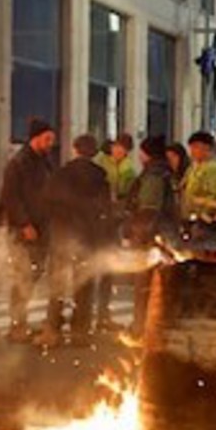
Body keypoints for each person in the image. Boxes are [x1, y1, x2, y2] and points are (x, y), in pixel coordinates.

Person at [34, 134, 111, 348]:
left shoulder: (62, 174)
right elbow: (105, 209)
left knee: (58, 283)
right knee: (84, 284)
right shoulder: (100, 177)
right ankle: (80, 331)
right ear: (94, 152)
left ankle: (53, 330)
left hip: (63, 234)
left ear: (75, 149)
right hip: (88, 236)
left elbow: (46, 201)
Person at [0, 118, 56, 343]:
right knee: (22, 276)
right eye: (47, 139)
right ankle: (17, 325)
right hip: (22, 230)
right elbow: (10, 197)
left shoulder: (45, 162)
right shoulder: (17, 163)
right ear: (35, 138)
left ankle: (21, 321)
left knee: (34, 274)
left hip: (42, 228)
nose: (51, 144)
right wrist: (24, 223)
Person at [124, 135, 177, 336]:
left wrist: (136, 235)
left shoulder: (154, 175)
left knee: (144, 285)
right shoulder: (165, 172)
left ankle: (141, 329)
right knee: (158, 286)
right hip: (163, 236)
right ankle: (153, 329)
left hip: (151, 239)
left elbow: (148, 210)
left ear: (147, 154)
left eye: (141, 152)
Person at [93, 133, 136, 331]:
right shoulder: (100, 161)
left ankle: (103, 313)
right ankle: (84, 313)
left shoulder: (129, 168)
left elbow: (129, 193)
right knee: (90, 267)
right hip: (97, 220)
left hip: (115, 220)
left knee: (108, 268)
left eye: (123, 149)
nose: (119, 151)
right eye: (117, 147)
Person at [181, 131, 216, 240]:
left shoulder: (214, 169)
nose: (192, 151)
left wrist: (195, 202)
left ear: (206, 148)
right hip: (197, 221)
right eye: (191, 147)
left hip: (211, 223)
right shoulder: (194, 168)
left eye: (195, 147)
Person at [165, 142, 190, 208]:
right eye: (168, 158)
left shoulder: (190, 174)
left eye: (174, 156)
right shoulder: (168, 176)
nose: (171, 160)